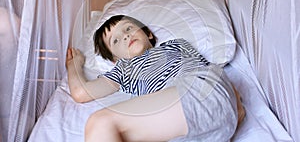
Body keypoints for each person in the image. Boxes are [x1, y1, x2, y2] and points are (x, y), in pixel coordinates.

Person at [66, 15, 245, 142]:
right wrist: (74, 65)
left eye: (128, 28)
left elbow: (205, 70)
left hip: (200, 90)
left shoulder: (175, 45)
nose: (126, 36)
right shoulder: (122, 70)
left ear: (148, 34)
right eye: (116, 40)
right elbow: (81, 93)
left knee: (100, 123)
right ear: (115, 59)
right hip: (197, 127)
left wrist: (234, 100)